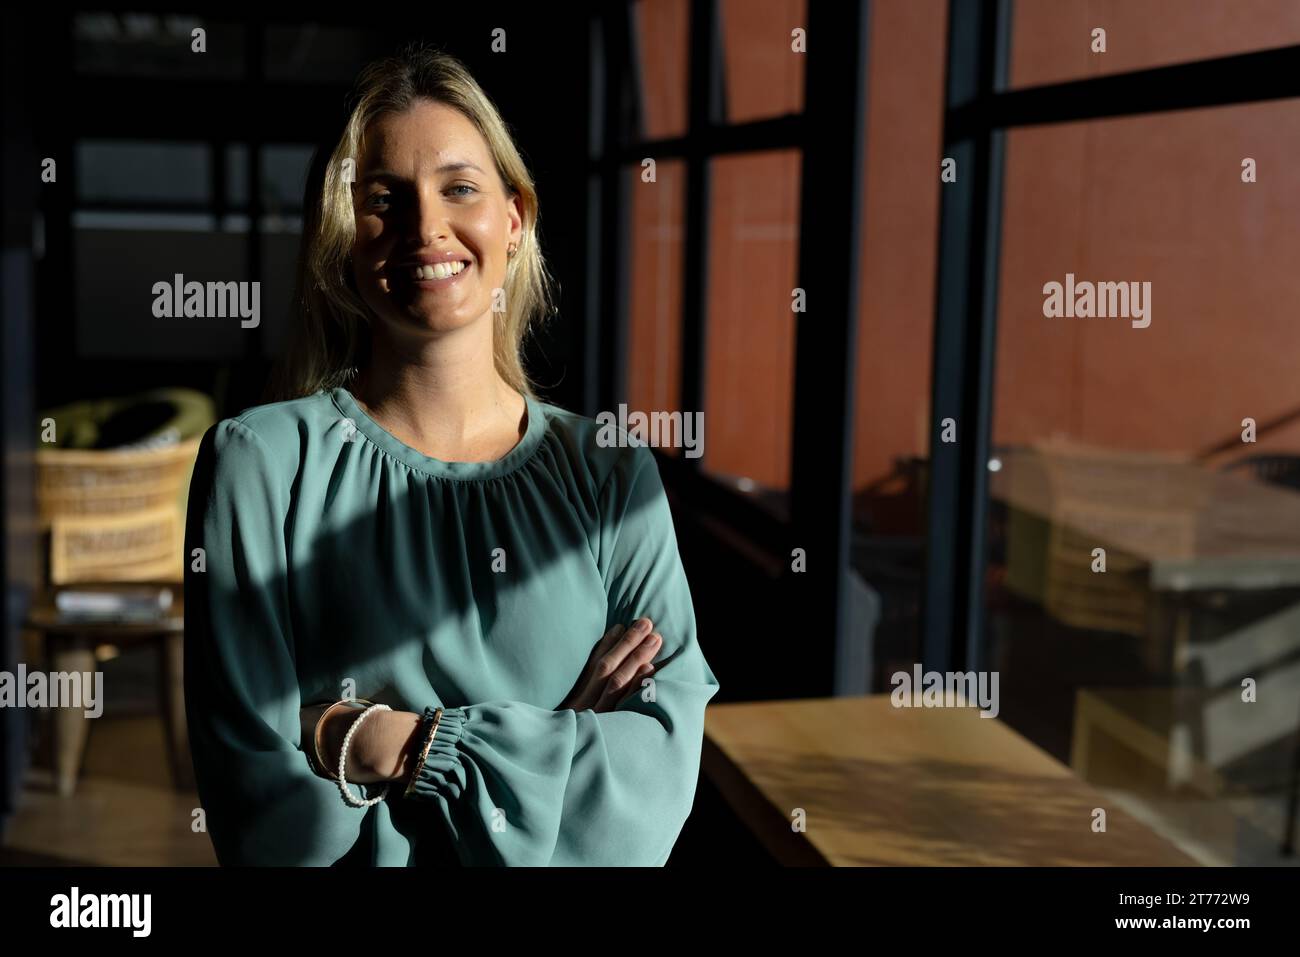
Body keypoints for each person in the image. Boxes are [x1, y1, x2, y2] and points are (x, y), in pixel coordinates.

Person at [183, 44, 721, 866]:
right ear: (344, 236)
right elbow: (265, 817)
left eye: (459, 189)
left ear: (514, 219)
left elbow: (647, 801)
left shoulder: (611, 472)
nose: (425, 226)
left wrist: (373, 738)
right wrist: (556, 739)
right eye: (384, 199)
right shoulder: (258, 463)